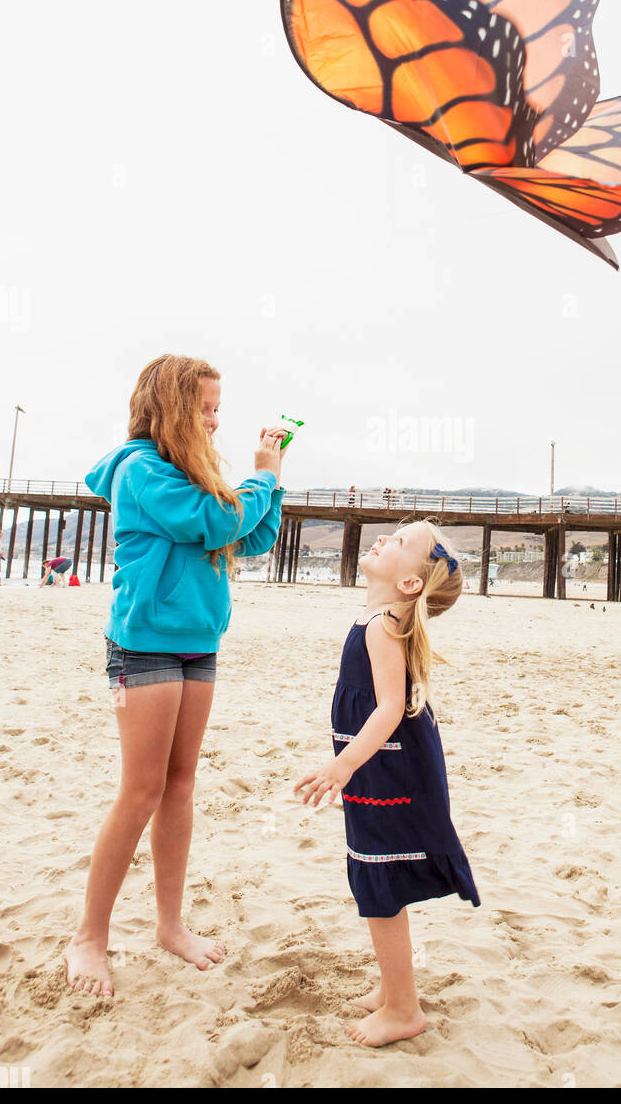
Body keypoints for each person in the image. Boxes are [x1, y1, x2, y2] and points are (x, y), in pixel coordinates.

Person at [64, 354, 290, 999]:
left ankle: (170, 925)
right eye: (205, 409)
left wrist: (269, 484)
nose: (215, 421)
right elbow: (216, 520)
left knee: (181, 785)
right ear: (170, 406)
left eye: (219, 408)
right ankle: (89, 937)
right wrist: (261, 480)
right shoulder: (141, 469)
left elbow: (246, 539)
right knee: (140, 790)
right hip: (144, 647)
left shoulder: (192, 472)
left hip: (198, 642)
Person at [294, 519, 479, 1048]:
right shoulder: (379, 617)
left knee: (378, 874)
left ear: (411, 584)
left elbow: (391, 707)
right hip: (384, 762)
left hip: (385, 767)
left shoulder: (383, 625)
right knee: (375, 870)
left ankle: (403, 1008)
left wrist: (343, 765)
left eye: (400, 542)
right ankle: (394, 986)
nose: (384, 538)